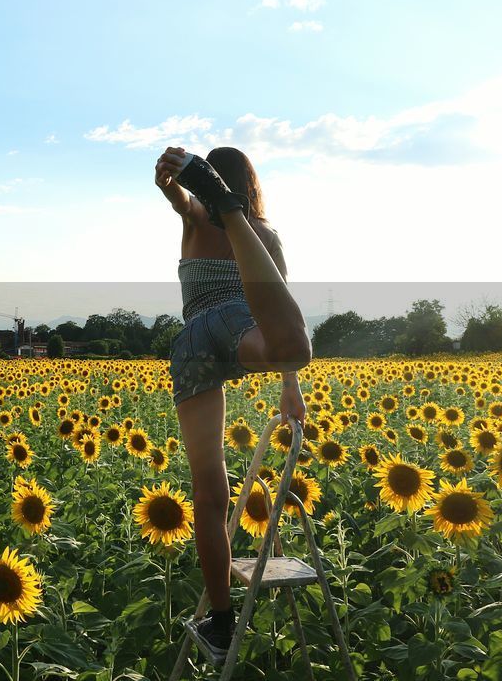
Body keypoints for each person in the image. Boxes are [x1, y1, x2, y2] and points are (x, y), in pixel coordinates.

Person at [154, 145, 312, 664]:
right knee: (287, 343)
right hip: (240, 329)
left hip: (203, 340)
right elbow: (177, 198)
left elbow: (178, 199)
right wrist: (290, 382)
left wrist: (176, 187)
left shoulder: (222, 224)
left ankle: (221, 622)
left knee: (209, 490)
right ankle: (220, 620)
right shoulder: (222, 223)